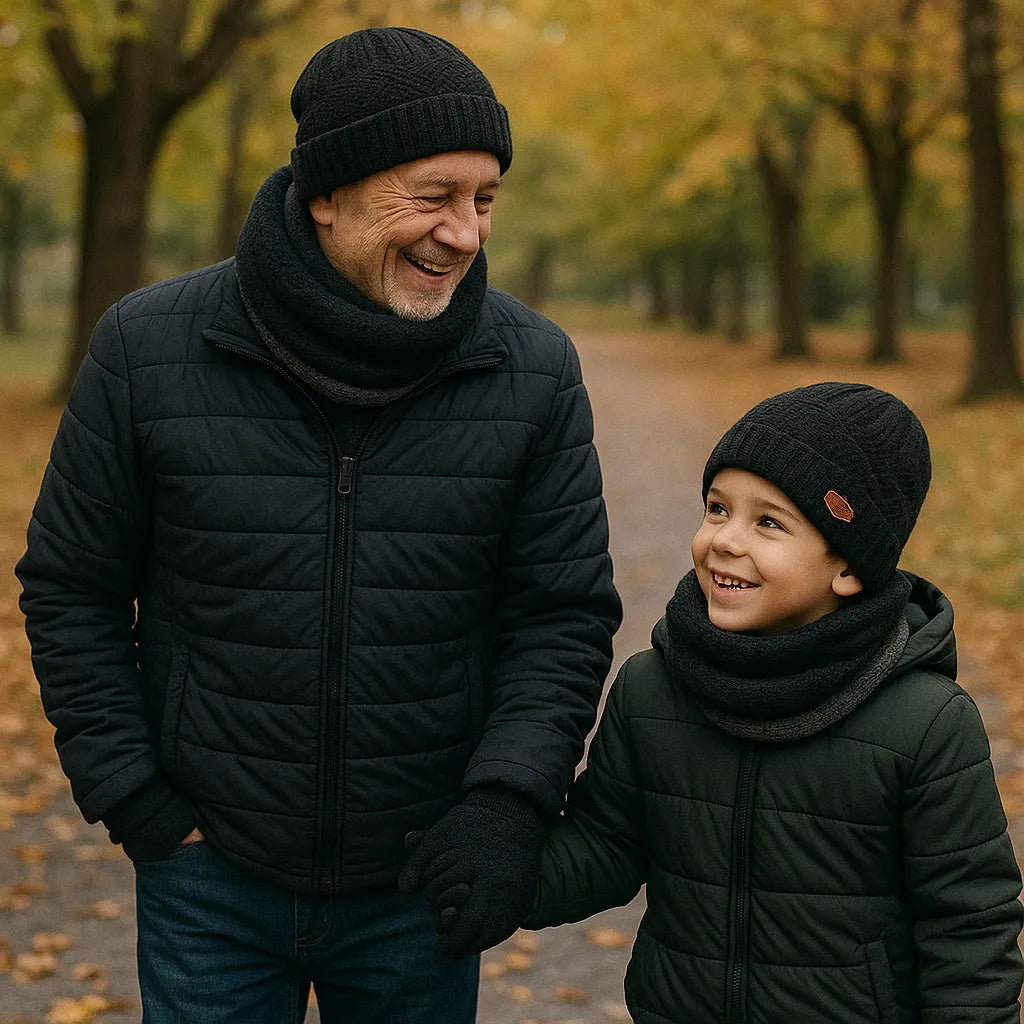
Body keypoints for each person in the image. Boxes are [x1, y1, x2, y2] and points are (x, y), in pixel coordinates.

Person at [15, 26, 621, 1024]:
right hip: (206, 878)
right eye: (431, 197)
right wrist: (135, 795)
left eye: (482, 200)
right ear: (326, 195)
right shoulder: (145, 347)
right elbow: (72, 586)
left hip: (418, 883)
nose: (465, 233)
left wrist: (505, 802)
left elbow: (561, 611)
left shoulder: (534, 368)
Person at [457, 383, 1022, 1022]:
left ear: (849, 568)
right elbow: (608, 846)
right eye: (717, 509)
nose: (724, 539)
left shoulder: (925, 725)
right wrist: (503, 876)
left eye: (768, 522)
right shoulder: (652, 689)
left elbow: (970, 931)